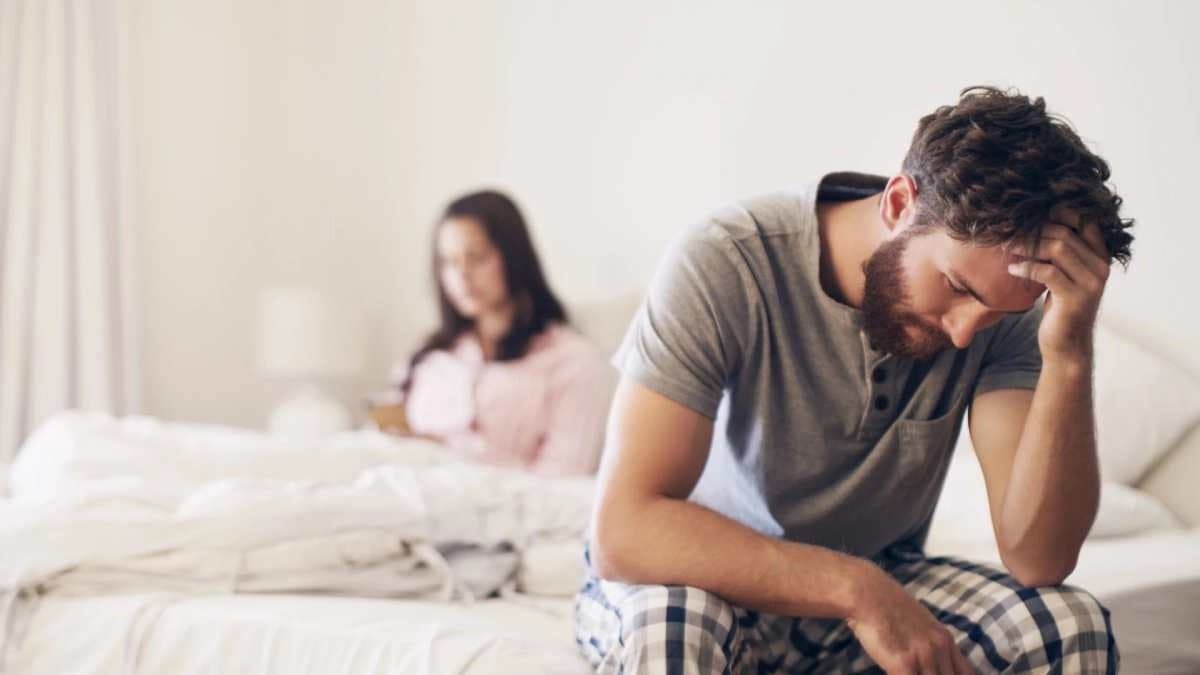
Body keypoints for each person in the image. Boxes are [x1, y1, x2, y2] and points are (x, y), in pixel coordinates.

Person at [576, 86, 1134, 674]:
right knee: (675, 630)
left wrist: (1068, 351)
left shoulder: (1001, 313)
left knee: (1068, 628)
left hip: (874, 588)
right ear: (899, 203)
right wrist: (857, 590)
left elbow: (1037, 559)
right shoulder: (726, 259)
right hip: (703, 579)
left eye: (999, 312)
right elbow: (624, 530)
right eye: (957, 288)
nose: (968, 332)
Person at [369, 190, 615, 477]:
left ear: (513, 257)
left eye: (477, 257)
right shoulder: (429, 355)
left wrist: (448, 455)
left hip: (494, 510)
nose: (462, 275)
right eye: (448, 262)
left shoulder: (573, 362)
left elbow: (564, 481)